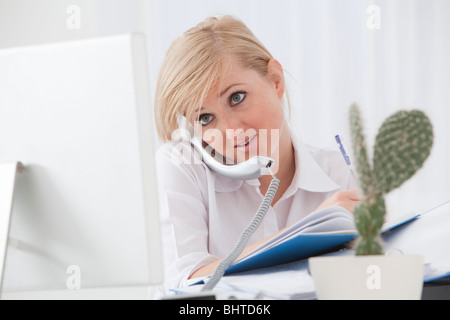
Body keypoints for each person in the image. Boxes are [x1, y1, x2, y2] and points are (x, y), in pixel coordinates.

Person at [154, 15, 360, 292]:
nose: (229, 130)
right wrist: (309, 233)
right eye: (205, 118)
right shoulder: (182, 165)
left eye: (236, 98)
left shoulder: (337, 172)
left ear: (275, 80)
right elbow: (187, 285)